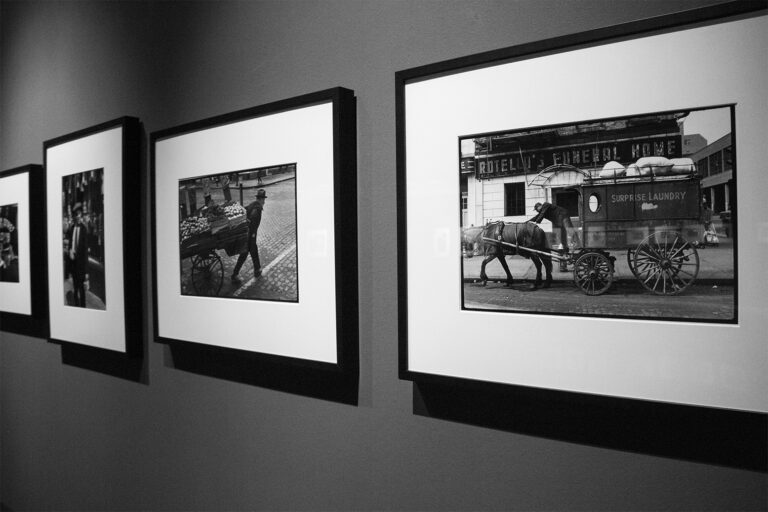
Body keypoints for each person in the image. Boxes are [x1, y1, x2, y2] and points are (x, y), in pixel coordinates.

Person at [231, 189, 266, 283]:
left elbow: (245, 210)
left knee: (253, 252)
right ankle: (235, 274)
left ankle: (257, 270)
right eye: (263, 199)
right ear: (261, 199)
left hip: (248, 234)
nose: (264, 201)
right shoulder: (257, 209)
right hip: (250, 235)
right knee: (245, 254)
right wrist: (252, 235)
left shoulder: (253, 204)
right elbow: (252, 220)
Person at [66, 203, 89, 307]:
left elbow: (85, 253)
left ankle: (83, 307)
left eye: (80, 216)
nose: (78, 217)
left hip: (81, 265)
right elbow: (70, 243)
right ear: (75, 217)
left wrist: (87, 272)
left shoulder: (84, 230)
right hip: (73, 263)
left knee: (81, 289)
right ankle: (75, 306)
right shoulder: (71, 228)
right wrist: (70, 250)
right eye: (77, 215)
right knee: (75, 288)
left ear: (81, 216)